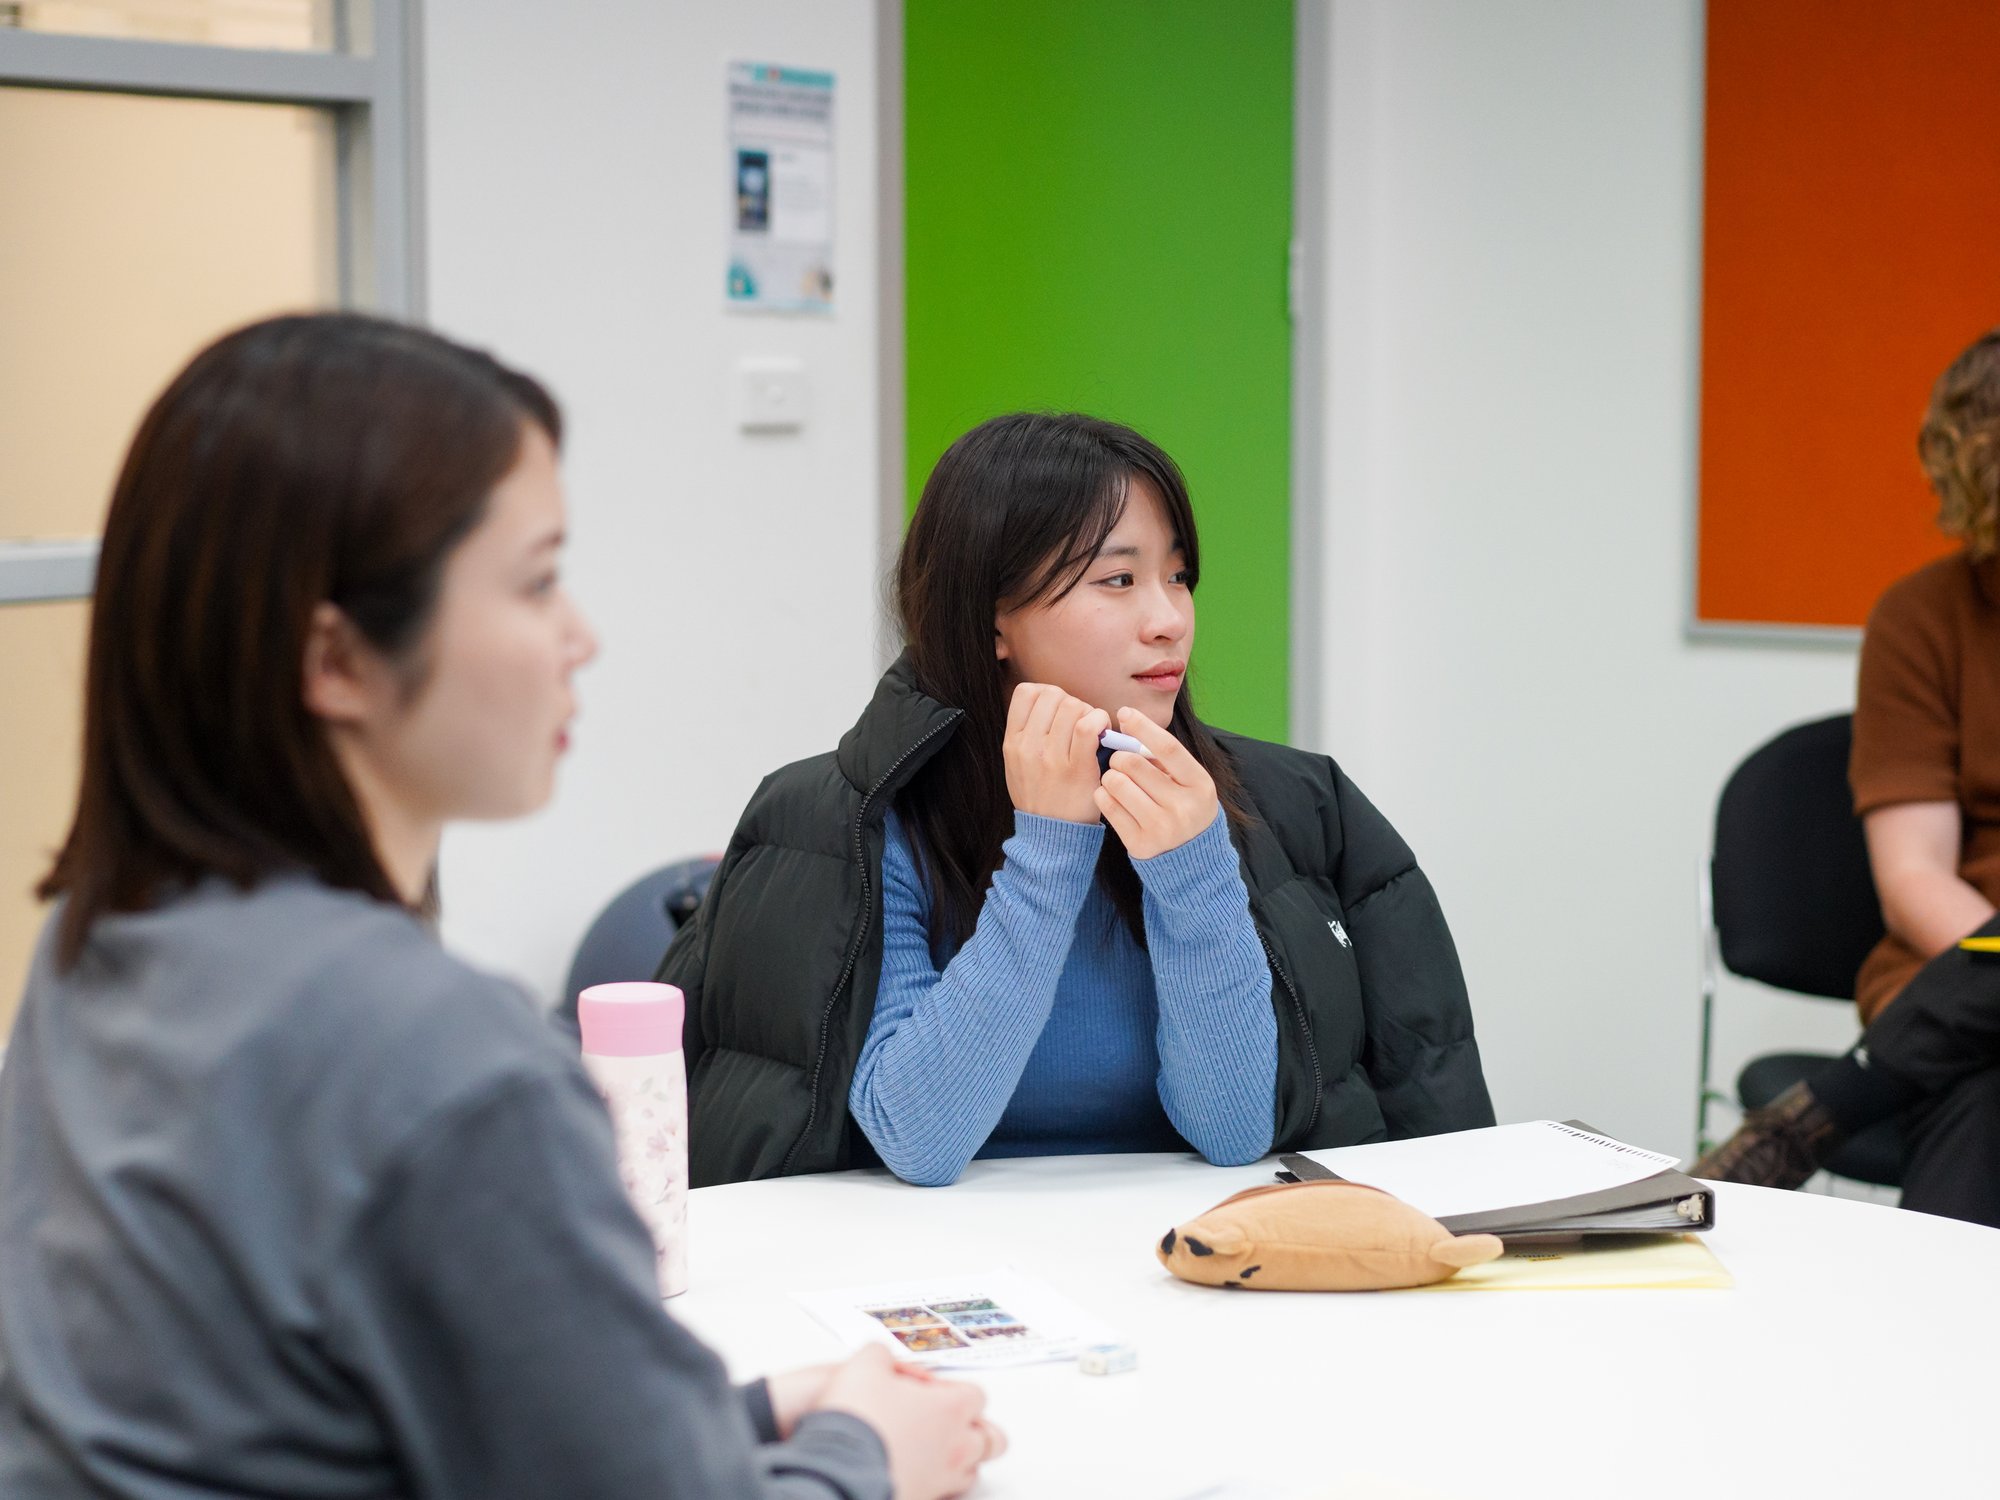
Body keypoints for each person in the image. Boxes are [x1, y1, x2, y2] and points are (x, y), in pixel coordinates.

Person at [0, 313, 1000, 1500]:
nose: (580, 637)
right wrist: (865, 1461)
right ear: (335, 661)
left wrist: (747, 1415)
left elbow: (305, 1419)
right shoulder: (442, 1060)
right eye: (535, 583)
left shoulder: (105, 936)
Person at [661, 412, 1493, 1188]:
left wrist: (1194, 868)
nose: (1169, 618)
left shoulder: (1296, 804)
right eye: (1119, 579)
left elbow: (1235, 1131)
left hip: (1184, 1263)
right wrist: (1049, 849)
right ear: (994, 620)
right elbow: (917, 1139)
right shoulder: (855, 815)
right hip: (928, 1272)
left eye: (1178, 575)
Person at [1693, 328, 2000, 1227]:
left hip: (1931, 1035)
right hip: (1953, 974)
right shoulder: (1925, 618)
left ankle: (1837, 1100)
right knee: (1986, 1083)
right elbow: (1914, 882)